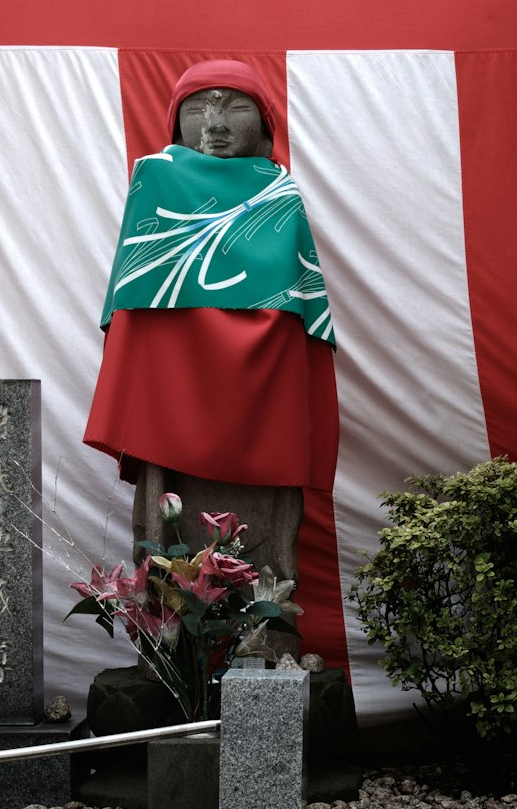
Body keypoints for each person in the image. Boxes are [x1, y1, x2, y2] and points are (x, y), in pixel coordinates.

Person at [84, 60, 338, 586]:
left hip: (264, 377)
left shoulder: (279, 192)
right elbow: (139, 294)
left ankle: (266, 624)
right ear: (177, 119)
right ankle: (169, 619)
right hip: (172, 364)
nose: (217, 125)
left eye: (238, 108)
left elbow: (294, 296)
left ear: (264, 125)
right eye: (199, 108)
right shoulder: (153, 177)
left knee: (270, 490)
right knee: (164, 496)